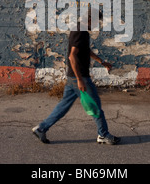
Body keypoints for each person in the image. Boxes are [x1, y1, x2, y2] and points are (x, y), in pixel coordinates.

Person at [32, 9, 121, 145]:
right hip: (79, 77)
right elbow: (72, 56)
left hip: (73, 78)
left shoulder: (80, 30)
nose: (97, 25)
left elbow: (85, 50)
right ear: (90, 19)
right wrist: (80, 79)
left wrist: (101, 62)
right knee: (95, 105)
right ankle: (103, 134)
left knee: (63, 106)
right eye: (97, 22)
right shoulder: (80, 32)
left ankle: (41, 128)